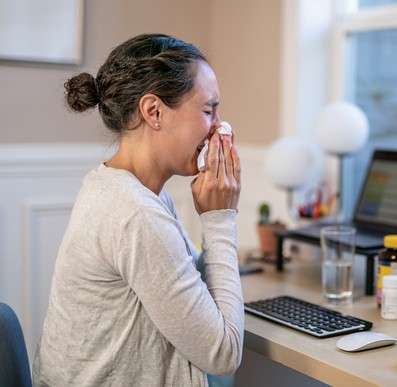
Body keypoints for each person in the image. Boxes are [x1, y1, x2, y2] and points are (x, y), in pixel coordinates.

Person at [33, 34, 243, 386]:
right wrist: (220, 219)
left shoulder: (125, 191)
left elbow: (196, 290)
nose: (220, 127)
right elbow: (224, 354)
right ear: (153, 111)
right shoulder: (135, 214)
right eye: (208, 111)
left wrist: (216, 215)